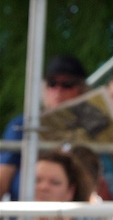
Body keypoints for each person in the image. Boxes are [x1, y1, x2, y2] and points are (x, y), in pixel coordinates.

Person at [0, 53, 88, 200]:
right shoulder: (24, 124)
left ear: (81, 89)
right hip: (25, 216)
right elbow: (3, 177)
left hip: (80, 216)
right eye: (52, 84)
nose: (58, 90)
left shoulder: (91, 126)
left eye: (67, 85)